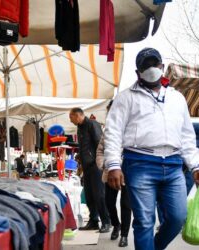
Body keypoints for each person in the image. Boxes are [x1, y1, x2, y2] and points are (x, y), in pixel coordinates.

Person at [104, 47, 199, 250]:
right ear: (137, 72)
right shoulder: (125, 97)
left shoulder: (177, 98)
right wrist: (113, 164)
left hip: (173, 165)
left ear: (162, 67)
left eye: (154, 64)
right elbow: (113, 132)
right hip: (140, 163)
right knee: (145, 222)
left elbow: (187, 137)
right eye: (145, 66)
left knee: (177, 217)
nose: (151, 69)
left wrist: (195, 166)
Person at [69, 108, 111, 233]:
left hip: (95, 166)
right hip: (86, 167)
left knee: (99, 195)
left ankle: (106, 221)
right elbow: (85, 146)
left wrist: (98, 162)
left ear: (77, 116)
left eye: (71, 117)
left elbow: (100, 143)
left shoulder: (92, 124)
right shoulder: (80, 127)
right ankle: (93, 221)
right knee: (89, 195)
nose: (70, 120)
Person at [96, 100, 131, 247]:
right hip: (111, 172)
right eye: (110, 111)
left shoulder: (131, 129)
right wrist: (104, 164)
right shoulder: (107, 132)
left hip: (129, 172)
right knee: (109, 202)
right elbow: (99, 151)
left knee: (126, 204)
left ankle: (124, 234)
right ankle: (116, 224)